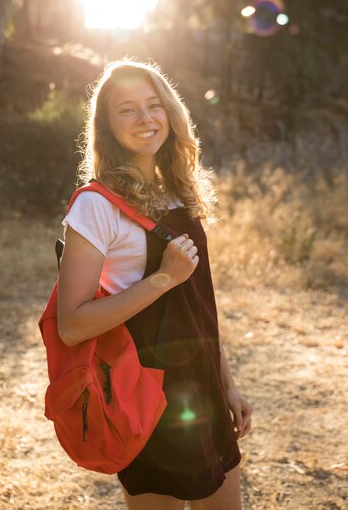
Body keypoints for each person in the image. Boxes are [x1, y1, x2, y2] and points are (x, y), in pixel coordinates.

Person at [57, 59, 253, 510]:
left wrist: (228, 385)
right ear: (106, 126)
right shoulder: (95, 207)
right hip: (143, 394)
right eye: (127, 109)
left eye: (153, 105)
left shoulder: (179, 192)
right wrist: (163, 277)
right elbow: (72, 324)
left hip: (201, 386)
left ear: (170, 111)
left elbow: (198, 303)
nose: (145, 118)